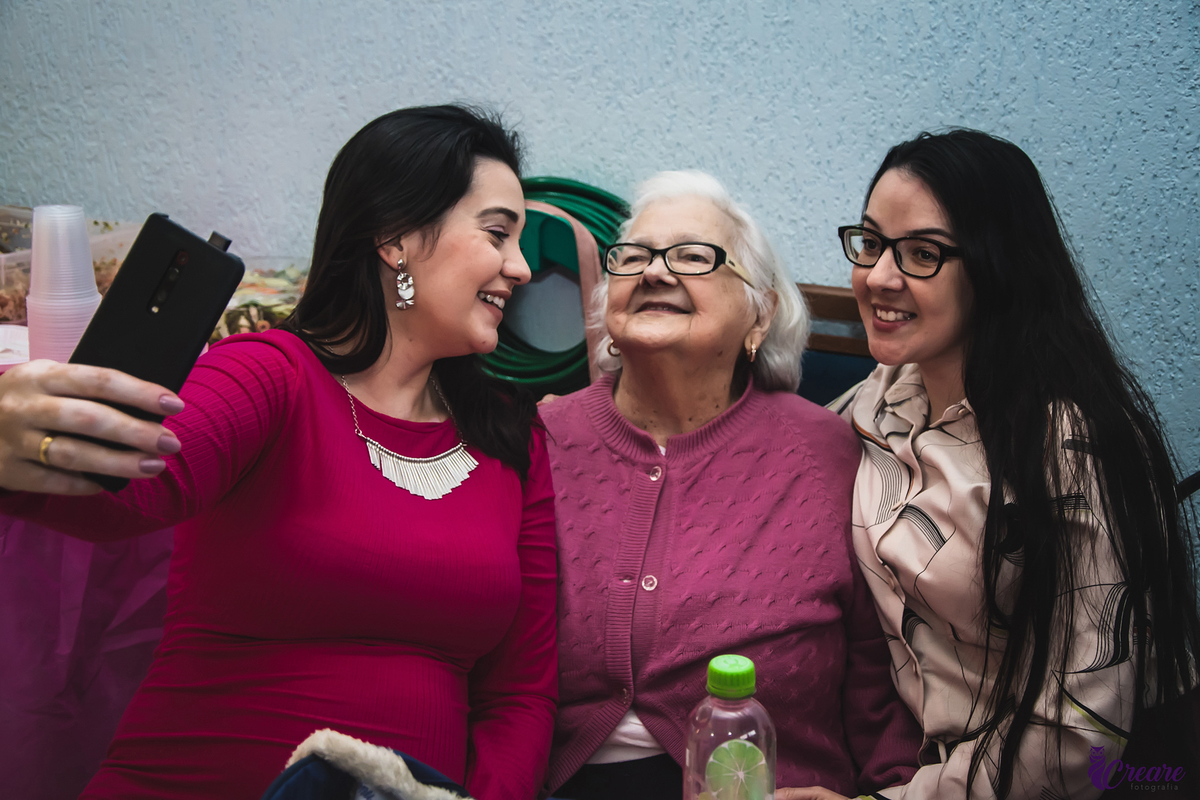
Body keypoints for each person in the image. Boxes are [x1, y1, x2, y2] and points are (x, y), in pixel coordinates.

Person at [0, 105, 558, 800]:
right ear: (396, 239)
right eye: (498, 233)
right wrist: (18, 438)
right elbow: (131, 487)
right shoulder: (270, 375)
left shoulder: (512, 438)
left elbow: (520, 697)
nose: (523, 268)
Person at [802, 129, 1200, 800]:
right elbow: (787, 444)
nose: (877, 277)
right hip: (905, 762)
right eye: (870, 244)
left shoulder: (1071, 449)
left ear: (995, 267)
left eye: (921, 254)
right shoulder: (884, 394)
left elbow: (1078, 735)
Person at [538, 170, 922, 800]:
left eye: (693, 256)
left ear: (759, 313)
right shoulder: (539, 440)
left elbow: (881, 683)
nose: (656, 272)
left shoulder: (828, 455)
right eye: (634, 257)